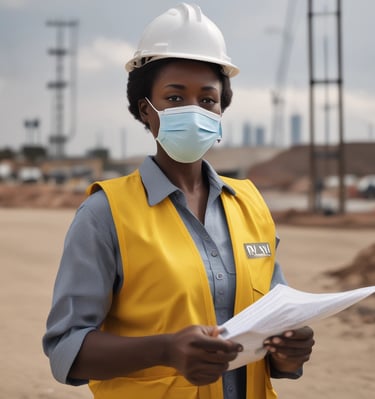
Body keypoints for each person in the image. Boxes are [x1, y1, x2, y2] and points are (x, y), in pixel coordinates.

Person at [43, 3, 314, 399]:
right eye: (174, 98)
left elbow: (272, 330)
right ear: (145, 111)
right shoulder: (106, 213)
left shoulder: (251, 207)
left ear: (221, 111)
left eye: (207, 100)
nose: (193, 110)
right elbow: (66, 348)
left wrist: (290, 352)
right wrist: (165, 349)